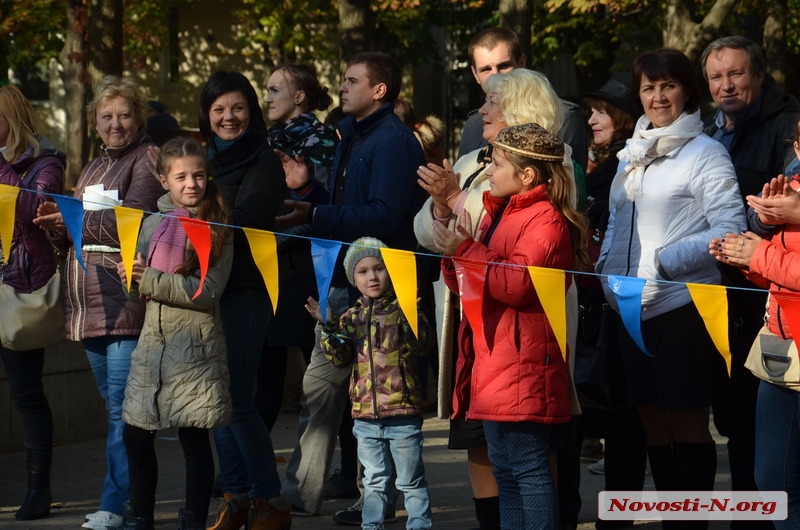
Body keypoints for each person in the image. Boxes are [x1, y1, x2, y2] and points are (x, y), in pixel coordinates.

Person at [414, 67, 573, 530]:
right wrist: (454, 251)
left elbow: (518, 283)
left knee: (528, 471)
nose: (490, 172)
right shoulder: (503, 211)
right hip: (496, 359)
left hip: (523, 364)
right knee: (505, 469)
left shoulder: (545, 219)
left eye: (498, 166)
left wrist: (464, 249)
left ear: (525, 174)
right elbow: (480, 271)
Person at [596, 48, 746, 530]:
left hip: (681, 306)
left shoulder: (706, 152)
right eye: (648, 87)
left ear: (686, 90)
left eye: (668, 86)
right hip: (627, 306)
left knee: (685, 422)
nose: (658, 97)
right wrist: (605, 269)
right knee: (651, 422)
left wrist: (663, 262)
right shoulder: (632, 152)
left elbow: (729, 228)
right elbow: (619, 218)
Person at [275, 51, 427, 524]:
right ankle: (302, 493)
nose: (340, 87)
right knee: (320, 388)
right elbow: (346, 208)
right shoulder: (348, 134)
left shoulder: (395, 142)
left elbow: (382, 216)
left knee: (381, 403)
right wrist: (310, 193)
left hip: (383, 292)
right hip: (342, 281)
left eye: (350, 80)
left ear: (379, 90)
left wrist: (317, 213)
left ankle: (377, 501)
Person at [34, 75, 164, 530]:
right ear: (94, 121)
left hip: (124, 302)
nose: (115, 123)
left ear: (138, 118)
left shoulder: (147, 159)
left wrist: (71, 220)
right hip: (88, 307)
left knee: (122, 413)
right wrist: (55, 225)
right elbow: (78, 235)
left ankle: (117, 504)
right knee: (118, 410)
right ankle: (128, 503)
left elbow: (135, 225)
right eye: (106, 116)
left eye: (124, 114)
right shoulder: (92, 167)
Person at [701, 37, 800, 522]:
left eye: (736, 74)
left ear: (759, 76)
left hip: (777, 302)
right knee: (741, 430)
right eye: (716, 77)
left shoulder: (787, 126)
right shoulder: (707, 131)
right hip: (732, 289)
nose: (726, 85)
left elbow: (786, 218)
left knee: (777, 463)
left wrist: (756, 236)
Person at [116, 136, 233, 530]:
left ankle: (192, 518)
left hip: (195, 349)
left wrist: (147, 278)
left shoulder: (216, 226)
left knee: (193, 436)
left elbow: (206, 291)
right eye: (181, 176)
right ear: (163, 180)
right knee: (136, 434)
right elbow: (140, 290)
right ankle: (141, 513)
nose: (191, 184)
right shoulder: (151, 224)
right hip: (153, 346)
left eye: (198, 175)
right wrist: (129, 278)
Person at [198, 71, 289, 530]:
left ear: (251, 111)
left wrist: (189, 210)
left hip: (247, 291)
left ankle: (268, 500)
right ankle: (233, 497)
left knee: (239, 397)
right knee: (216, 399)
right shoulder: (203, 161)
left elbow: (246, 218)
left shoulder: (264, 160)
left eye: (237, 108)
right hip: (207, 290)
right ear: (207, 115)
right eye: (219, 110)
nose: (228, 118)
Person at [305, 237, 434, 530]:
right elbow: (340, 358)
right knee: (373, 480)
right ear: (353, 278)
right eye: (363, 271)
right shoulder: (350, 317)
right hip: (365, 418)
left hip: (402, 414)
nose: (372, 277)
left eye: (379, 268)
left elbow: (422, 346)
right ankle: (371, 526)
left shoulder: (404, 309)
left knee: (411, 481)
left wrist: (412, 318)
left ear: (389, 271)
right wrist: (326, 326)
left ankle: (419, 526)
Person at [579, 79, 648, 530]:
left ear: (622, 117)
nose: (591, 119)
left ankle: (618, 516)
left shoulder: (627, 164)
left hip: (630, 301)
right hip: (601, 300)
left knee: (628, 423)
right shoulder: (600, 166)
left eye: (601, 111)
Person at [260, 63, 340, 435]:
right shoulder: (271, 139)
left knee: (325, 373)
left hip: (310, 268)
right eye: (267, 89)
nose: (267, 97)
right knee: (266, 373)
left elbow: (321, 213)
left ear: (300, 96)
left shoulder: (319, 142)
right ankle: (252, 469)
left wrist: (266, 240)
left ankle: (345, 468)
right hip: (272, 266)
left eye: (276, 90)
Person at [0, 85, 66, 521]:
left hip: (22, 290)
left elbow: (30, 210)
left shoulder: (45, 163)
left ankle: (38, 491)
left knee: (26, 394)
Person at [457, 27, 588, 174]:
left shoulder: (562, 118)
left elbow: (568, 189)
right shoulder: (474, 125)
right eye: (486, 69)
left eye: (504, 66)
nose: (495, 75)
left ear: (522, 62)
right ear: (475, 74)